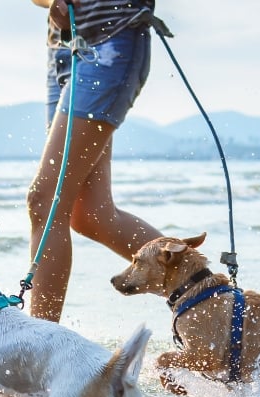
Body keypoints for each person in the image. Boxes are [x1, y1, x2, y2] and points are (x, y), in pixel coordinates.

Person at [27, 0, 162, 322]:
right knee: (91, 216)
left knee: (44, 200)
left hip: (112, 40)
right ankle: (214, 297)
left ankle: (38, 346)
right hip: (63, 51)